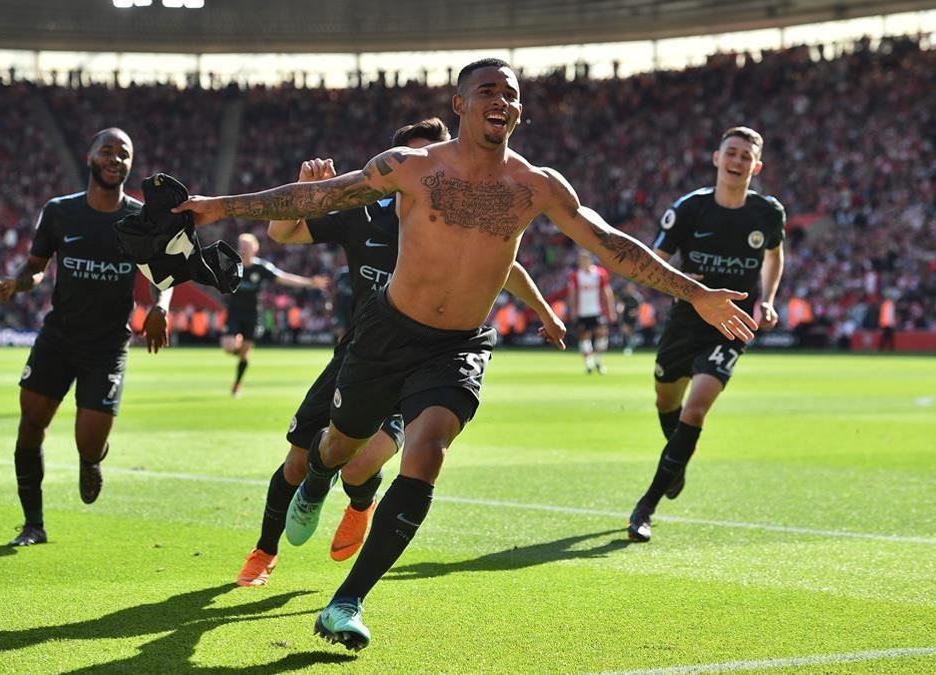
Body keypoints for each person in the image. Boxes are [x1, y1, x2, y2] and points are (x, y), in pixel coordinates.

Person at [173, 58, 757, 650]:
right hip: (386, 333)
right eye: (487, 91)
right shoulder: (411, 167)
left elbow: (609, 244)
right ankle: (319, 477)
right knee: (339, 445)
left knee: (426, 451)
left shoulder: (538, 186)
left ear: (520, 110)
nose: (501, 100)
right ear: (460, 105)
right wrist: (221, 206)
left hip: (459, 345)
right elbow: (319, 196)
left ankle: (346, 602)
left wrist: (697, 292)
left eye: (511, 93)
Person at [235, 117, 565, 588]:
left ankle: (361, 502)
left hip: (420, 359)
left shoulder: (465, 213)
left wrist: (544, 311)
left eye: (438, 153)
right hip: (359, 353)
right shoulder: (364, 209)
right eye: (419, 157)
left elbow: (505, 265)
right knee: (298, 461)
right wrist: (309, 193)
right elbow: (283, 235)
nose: (431, 166)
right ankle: (265, 551)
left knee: (360, 465)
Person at [0, 128, 173, 547]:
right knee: (31, 424)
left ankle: (91, 461)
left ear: (130, 164)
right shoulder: (59, 211)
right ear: (89, 157)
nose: (115, 158)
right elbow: (36, 266)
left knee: (89, 443)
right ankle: (33, 524)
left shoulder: (140, 218)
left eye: (123, 153)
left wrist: (160, 306)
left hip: (107, 346)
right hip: (59, 336)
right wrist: (19, 283)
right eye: (106, 150)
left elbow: (164, 272)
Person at [626, 126, 786, 542]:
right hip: (685, 319)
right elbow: (653, 262)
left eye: (745, 157)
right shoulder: (689, 209)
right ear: (716, 157)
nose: (736, 162)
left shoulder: (768, 213)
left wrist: (767, 299)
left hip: (732, 323)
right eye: (730, 153)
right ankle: (674, 461)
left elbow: (773, 257)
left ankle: (646, 507)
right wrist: (682, 282)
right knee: (666, 398)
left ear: (756, 166)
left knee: (695, 410)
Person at [224, 233, 327, 396]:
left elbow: (283, 277)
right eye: (241, 245)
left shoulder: (261, 268)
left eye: (246, 246)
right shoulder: (231, 266)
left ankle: (237, 383)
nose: (243, 248)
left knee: (244, 354)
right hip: (235, 313)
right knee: (229, 347)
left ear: (255, 248)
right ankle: (237, 345)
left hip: (253, 314)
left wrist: (309, 282)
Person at [568, 250, 616, 373]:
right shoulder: (575, 275)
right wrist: (573, 310)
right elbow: (572, 294)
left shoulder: (600, 273)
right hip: (582, 312)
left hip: (597, 310)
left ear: (590, 260)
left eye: (585, 259)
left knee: (602, 334)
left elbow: (606, 292)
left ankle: (599, 362)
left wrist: (611, 310)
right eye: (581, 260)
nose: (582, 262)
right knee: (584, 337)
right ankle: (589, 365)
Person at [617, 282, 644, 355]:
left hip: (634, 319)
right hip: (625, 317)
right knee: (626, 331)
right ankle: (629, 347)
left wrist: (634, 312)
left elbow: (640, 308)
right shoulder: (624, 296)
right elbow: (620, 304)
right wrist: (620, 308)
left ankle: (630, 347)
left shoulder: (637, 297)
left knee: (631, 333)